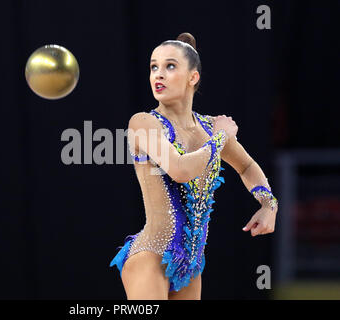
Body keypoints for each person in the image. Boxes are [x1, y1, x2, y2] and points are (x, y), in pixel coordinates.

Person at [109, 32, 279, 300]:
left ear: (193, 77)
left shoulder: (209, 127)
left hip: (191, 265)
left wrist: (268, 204)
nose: (158, 74)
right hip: (151, 257)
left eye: (170, 66)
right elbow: (179, 170)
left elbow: (247, 166)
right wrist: (221, 138)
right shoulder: (143, 122)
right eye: (154, 67)